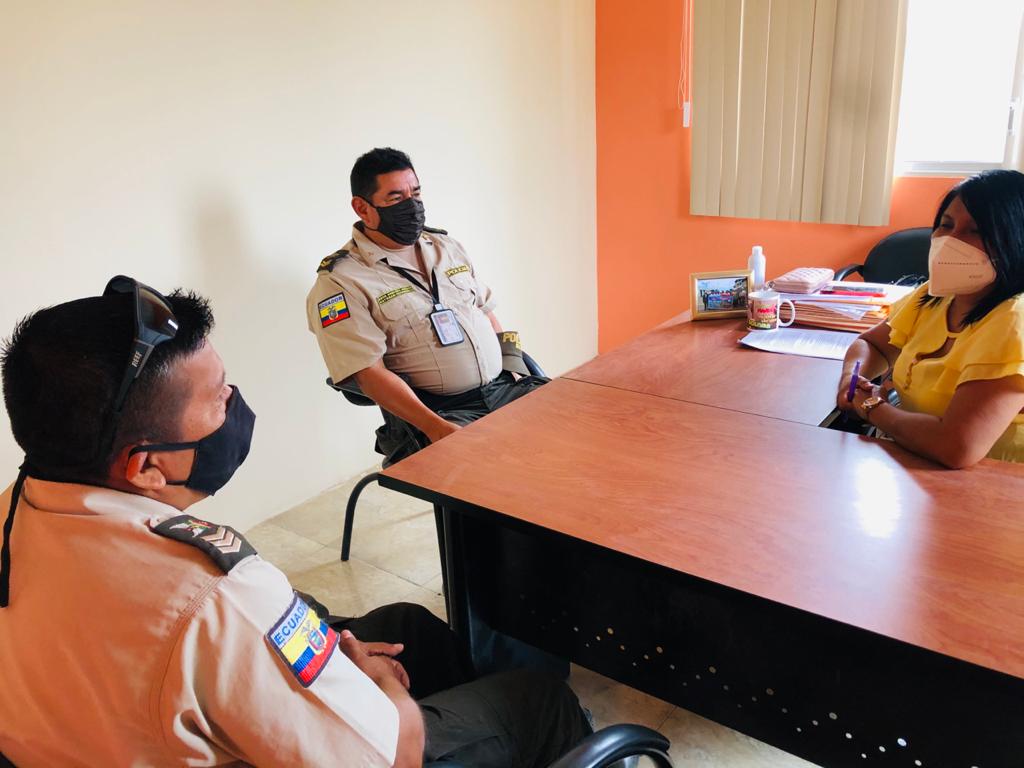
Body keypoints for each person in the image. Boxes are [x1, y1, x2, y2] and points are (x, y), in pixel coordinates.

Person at [0, 276, 590, 766]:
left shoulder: (17, 506)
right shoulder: (215, 595)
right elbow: (395, 754)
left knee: (412, 627)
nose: (235, 400)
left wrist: (336, 655)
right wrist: (374, 682)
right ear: (148, 466)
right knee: (537, 700)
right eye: (218, 397)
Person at [306, 148, 547, 463]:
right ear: (362, 208)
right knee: (499, 472)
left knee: (578, 424)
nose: (412, 206)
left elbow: (486, 312)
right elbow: (366, 372)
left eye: (416, 194)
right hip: (443, 413)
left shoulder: (446, 247)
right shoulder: (341, 281)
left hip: (505, 388)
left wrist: (516, 371)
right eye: (396, 198)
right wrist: (436, 428)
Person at [836, 169, 1024, 467]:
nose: (951, 240)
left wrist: (871, 406)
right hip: (913, 461)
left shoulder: (1014, 321)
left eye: (975, 231)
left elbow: (957, 446)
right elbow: (873, 345)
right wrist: (852, 378)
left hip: (989, 482)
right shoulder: (935, 296)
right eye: (946, 225)